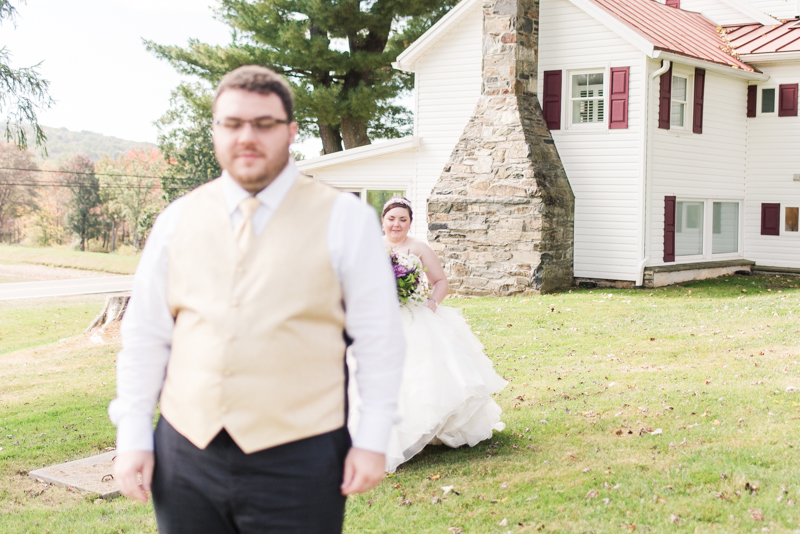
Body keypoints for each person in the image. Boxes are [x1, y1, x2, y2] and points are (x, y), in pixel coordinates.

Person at [108, 65, 406, 533]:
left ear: (291, 132)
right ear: (215, 131)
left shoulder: (344, 218)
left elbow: (378, 340)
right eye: (232, 123)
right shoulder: (176, 219)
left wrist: (371, 439)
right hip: (186, 454)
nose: (247, 136)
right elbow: (146, 336)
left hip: (300, 455)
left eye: (264, 124)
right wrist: (132, 434)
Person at [349, 197, 507, 473]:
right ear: (383, 220)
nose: (396, 224)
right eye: (391, 218)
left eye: (403, 219)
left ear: (410, 223)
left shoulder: (419, 247)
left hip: (413, 316)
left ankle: (425, 429)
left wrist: (432, 303)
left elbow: (441, 281)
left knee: (421, 375)